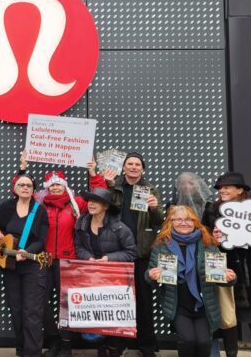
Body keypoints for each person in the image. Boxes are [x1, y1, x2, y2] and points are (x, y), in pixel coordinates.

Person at [28, 154, 110, 357]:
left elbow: (98, 195)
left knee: (67, 304)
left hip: (69, 260)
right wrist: (22, 169)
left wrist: (93, 174)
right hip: (44, 260)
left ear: (65, 187)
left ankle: (66, 346)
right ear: (47, 188)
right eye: (52, 186)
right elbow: (21, 192)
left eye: (59, 185)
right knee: (40, 304)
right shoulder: (39, 206)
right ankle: (54, 340)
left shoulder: (76, 204)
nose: (55, 188)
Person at [203, 172, 251, 357]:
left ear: (240, 190)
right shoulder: (211, 210)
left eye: (227, 187)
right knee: (226, 324)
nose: (222, 190)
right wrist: (214, 240)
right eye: (220, 187)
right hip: (224, 273)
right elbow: (204, 240)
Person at [147, 205, 237, 357]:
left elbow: (220, 278)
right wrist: (151, 275)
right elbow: (150, 276)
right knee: (188, 340)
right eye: (179, 219)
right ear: (171, 222)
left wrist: (230, 278)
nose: (184, 223)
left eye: (189, 219)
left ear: (196, 222)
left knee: (203, 342)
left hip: (204, 305)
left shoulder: (207, 243)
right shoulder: (163, 245)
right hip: (178, 304)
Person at [104, 152, 164, 357]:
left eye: (137, 164)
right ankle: (119, 344)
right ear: (124, 167)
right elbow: (107, 212)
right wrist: (110, 186)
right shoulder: (115, 186)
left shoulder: (150, 189)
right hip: (118, 253)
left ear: (143, 169)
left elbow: (159, 221)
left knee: (144, 302)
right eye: (130, 163)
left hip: (141, 253)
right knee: (119, 301)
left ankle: (146, 346)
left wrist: (154, 208)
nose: (133, 167)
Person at [0, 174, 49, 357]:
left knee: (32, 312)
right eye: (22, 185)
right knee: (16, 310)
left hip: (31, 265)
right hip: (10, 265)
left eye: (29, 185)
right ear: (15, 188)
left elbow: (42, 240)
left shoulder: (39, 211)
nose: (25, 188)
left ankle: (33, 353)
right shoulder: (6, 207)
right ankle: (21, 351)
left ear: (33, 190)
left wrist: (26, 251)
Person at [74, 186, 137, 357]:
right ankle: (101, 351)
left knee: (113, 322)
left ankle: (115, 350)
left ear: (106, 206)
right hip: (91, 279)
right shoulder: (81, 225)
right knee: (96, 321)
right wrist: (88, 258)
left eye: (97, 201)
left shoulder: (120, 228)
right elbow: (78, 247)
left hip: (114, 282)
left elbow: (132, 252)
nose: (91, 204)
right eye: (90, 200)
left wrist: (108, 258)